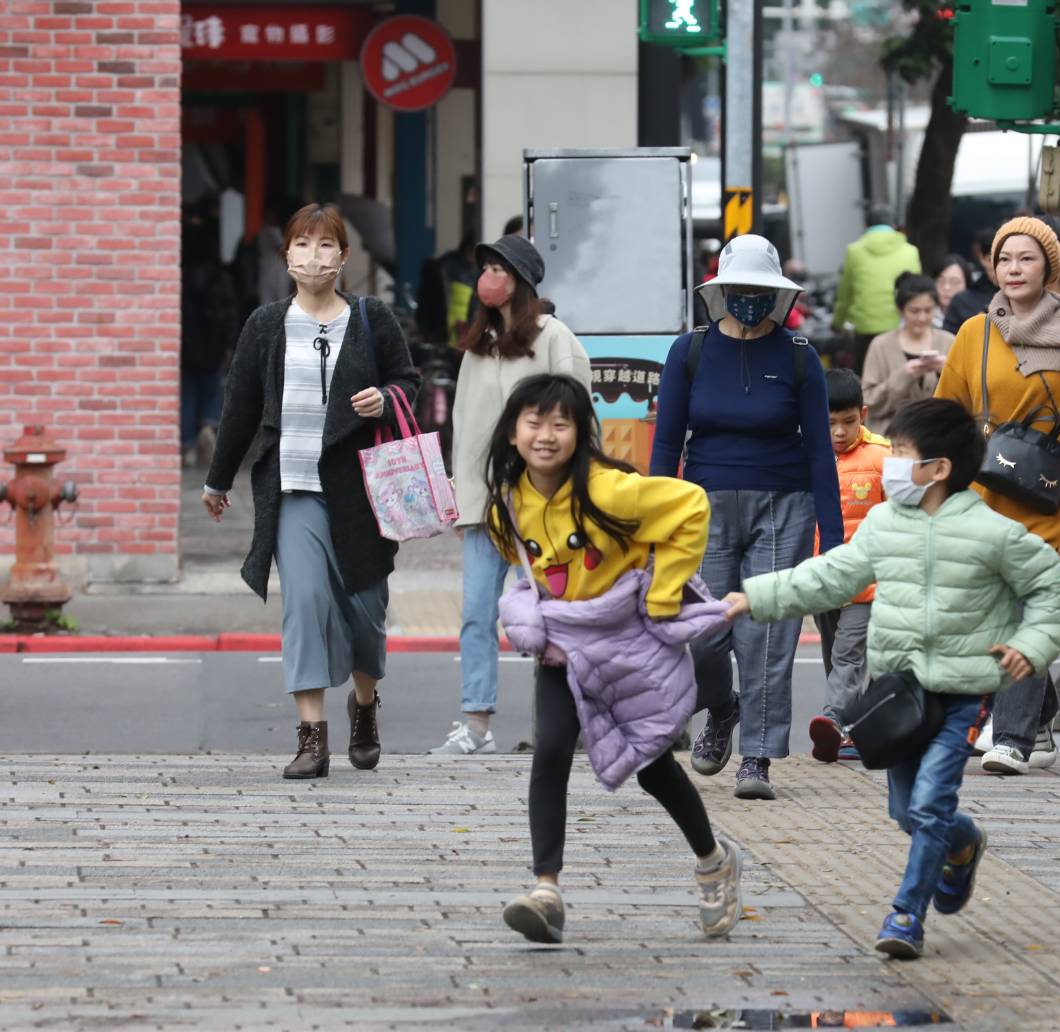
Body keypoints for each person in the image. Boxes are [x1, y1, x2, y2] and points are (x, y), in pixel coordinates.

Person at [722, 398, 1060, 960]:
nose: (890, 464)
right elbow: (832, 575)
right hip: (898, 693)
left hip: (962, 694)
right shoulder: (884, 524)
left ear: (939, 469)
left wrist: (1031, 646)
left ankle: (906, 914)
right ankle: (963, 843)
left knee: (929, 805)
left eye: (902, 454)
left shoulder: (992, 533)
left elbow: (1052, 587)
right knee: (906, 812)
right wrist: (756, 596)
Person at [487, 374, 744, 944]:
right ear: (511, 432)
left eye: (560, 423)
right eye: (534, 422)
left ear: (581, 433)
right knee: (551, 749)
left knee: (653, 766)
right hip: (567, 649)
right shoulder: (509, 503)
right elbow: (526, 567)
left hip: (630, 649)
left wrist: (663, 594)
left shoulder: (609, 492)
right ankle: (546, 889)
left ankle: (713, 860)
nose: (546, 435)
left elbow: (691, 506)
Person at [201, 203, 419, 779]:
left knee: (366, 614)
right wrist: (218, 480)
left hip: (361, 493)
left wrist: (385, 398)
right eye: (302, 244)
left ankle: (364, 707)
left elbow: (408, 380)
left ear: (343, 257)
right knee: (304, 605)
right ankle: (311, 739)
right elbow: (240, 406)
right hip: (293, 488)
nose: (313, 256)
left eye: (325, 246)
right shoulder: (266, 324)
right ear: (286, 256)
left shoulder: (373, 318)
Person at [650, 234, 844, 801]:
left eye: (761, 291)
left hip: (784, 504)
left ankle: (757, 757)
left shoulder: (799, 356)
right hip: (702, 507)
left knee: (767, 635)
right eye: (740, 289)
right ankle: (722, 708)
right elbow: (666, 443)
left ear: (779, 295)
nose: (751, 300)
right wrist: (654, 521)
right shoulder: (688, 352)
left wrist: (833, 539)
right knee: (704, 633)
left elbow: (819, 451)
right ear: (721, 291)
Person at [933, 216, 1060, 768]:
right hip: (984, 487)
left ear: (1050, 268)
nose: (1013, 269)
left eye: (1027, 259)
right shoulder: (975, 332)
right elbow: (948, 409)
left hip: (1048, 493)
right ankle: (1039, 714)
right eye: (1004, 259)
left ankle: (1012, 738)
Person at [430, 235, 592, 755]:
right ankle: (476, 724)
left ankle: (568, 721)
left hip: (544, 505)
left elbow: (580, 418)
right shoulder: (479, 345)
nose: (489, 278)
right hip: (485, 507)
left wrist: (575, 495)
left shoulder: (554, 337)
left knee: (552, 614)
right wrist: (463, 500)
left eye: (500, 269)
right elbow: (463, 425)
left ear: (521, 281)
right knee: (477, 614)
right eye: (486, 268)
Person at [808, 368, 890, 763]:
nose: (839, 432)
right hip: (823, 579)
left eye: (849, 421)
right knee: (837, 658)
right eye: (829, 423)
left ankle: (834, 719)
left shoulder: (883, 457)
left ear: (864, 414)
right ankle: (853, 733)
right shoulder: (805, 455)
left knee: (848, 655)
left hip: (866, 584)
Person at [180, 200, 241, 470]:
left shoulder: (180, 276)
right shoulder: (220, 278)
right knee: (212, 387)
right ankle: (208, 424)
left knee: (188, 392)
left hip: (187, 343)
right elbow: (230, 311)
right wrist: (229, 343)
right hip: (213, 342)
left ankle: (188, 445)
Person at [861, 273, 955, 434]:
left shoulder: (949, 341)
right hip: (891, 436)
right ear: (901, 310)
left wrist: (948, 371)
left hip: (939, 434)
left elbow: (968, 394)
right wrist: (903, 376)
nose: (922, 317)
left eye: (928, 310)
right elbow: (868, 401)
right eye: (914, 311)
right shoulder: (880, 345)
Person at [834, 210, 923, 366]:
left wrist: (837, 323)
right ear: (894, 226)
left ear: (866, 226)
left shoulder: (854, 251)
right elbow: (918, 292)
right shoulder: (911, 251)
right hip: (900, 327)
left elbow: (845, 294)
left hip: (865, 329)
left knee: (864, 374)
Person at [941, 227, 1000, 334]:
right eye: (991, 259)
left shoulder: (1025, 297)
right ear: (982, 258)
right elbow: (949, 341)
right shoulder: (962, 301)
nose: (999, 266)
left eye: (1005, 259)